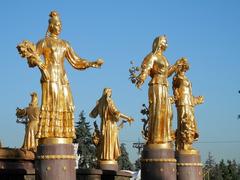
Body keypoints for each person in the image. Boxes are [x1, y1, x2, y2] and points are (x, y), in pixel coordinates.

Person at [17, 11, 103, 139]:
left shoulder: (65, 44)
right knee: (53, 102)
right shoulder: (44, 42)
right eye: (57, 24)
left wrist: (92, 63)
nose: (60, 27)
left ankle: (64, 133)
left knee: (68, 102)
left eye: (61, 24)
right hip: (50, 77)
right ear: (51, 26)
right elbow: (31, 60)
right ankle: (49, 133)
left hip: (62, 78)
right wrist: (40, 65)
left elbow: (76, 61)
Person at [136, 35, 180, 144]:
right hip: (156, 84)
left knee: (166, 112)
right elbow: (146, 68)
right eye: (165, 42)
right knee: (158, 109)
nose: (167, 45)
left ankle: (164, 136)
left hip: (164, 85)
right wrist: (141, 78)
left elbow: (166, 74)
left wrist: (176, 66)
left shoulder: (164, 58)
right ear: (159, 43)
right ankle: (155, 137)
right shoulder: (153, 56)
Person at [89, 88, 133, 161]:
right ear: (107, 93)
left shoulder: (100, 102)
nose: (110, 93)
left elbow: (92, 114)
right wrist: (127, 117)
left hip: (103, 124)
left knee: (104, 140)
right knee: (111, 141)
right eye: (110, 92)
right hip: (110, 124)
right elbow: (116, 112)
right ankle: (110, 157)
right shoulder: (109, 101)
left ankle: (104, 157)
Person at [172, 58, 204, 151]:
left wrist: (196, 99)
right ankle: (182, 144)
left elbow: (189, 92)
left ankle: (189, 142)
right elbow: (175, 89)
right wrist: (176, 97)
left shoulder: (186, 79)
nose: (185, 69)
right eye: (184, 67)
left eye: (186, 67)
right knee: (183, 120)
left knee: (191, 120)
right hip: (182, 101)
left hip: (189, 101)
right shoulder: (177, 77)